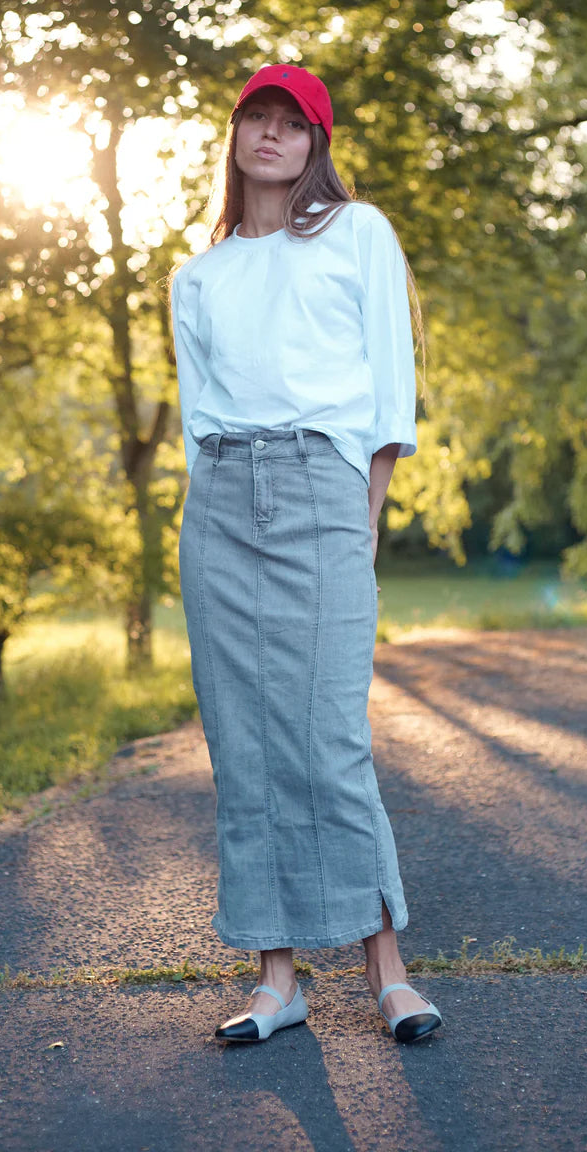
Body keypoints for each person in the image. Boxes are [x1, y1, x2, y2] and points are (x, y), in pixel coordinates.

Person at [169, 64, 443, 1046]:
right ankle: (277, 981)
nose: (273, 137)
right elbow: (198, 414)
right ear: (235, 135)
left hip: (322, 487)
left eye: (294, 125)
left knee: (328, 742)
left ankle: (387, 975)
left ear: (316, 143)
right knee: (242, 749)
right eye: (258, 120)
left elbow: (388, 389)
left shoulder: (356, 234)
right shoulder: (196, 277)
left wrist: (364, 517)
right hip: (220, 502)